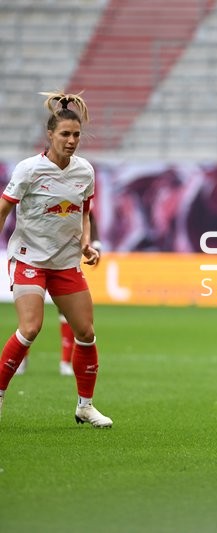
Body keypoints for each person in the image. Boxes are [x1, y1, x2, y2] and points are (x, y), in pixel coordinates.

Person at [0, 91, 112, 427]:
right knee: (31, 327)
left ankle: (85, 406)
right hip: (29, 258)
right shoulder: (29, 170)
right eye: (65, 134)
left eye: (76, 135)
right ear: (50, 135)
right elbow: (5, 207)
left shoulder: (84, 171)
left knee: (86, 332)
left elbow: (84, 213)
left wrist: (86, 243)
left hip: (65, 263)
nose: (72, 140)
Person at [14, 211, 102, 377]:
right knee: (29, 317)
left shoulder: (76, 188)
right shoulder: (35, 189)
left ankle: (65, 362)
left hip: (65, 259)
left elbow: (89, 214)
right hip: (34, 259)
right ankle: (21, 359)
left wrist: (95, 243)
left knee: (71, 315)